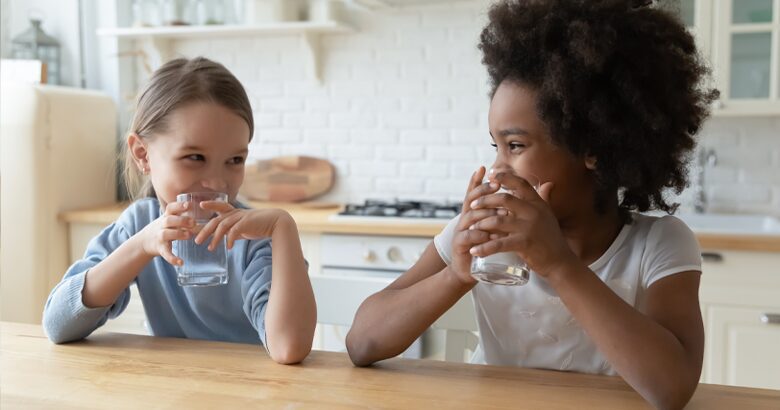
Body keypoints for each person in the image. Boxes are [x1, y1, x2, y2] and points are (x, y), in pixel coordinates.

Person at [345, 0, 717, 407]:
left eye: (516, 146)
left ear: (592, 148)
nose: (497, 169)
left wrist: (558, 264)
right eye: (496, 147)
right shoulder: (478, 234)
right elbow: (362, 343)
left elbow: (671, 389)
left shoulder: (659, 245)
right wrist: (457, 273)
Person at [42, 57, 316, 364]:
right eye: (195, 157)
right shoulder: (139, 225)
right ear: (142, 155)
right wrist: (140, 247)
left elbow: (289, 348)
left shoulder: (256, 236)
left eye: (235, 160)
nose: (216, 181)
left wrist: (283, 228)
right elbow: (57, 324)